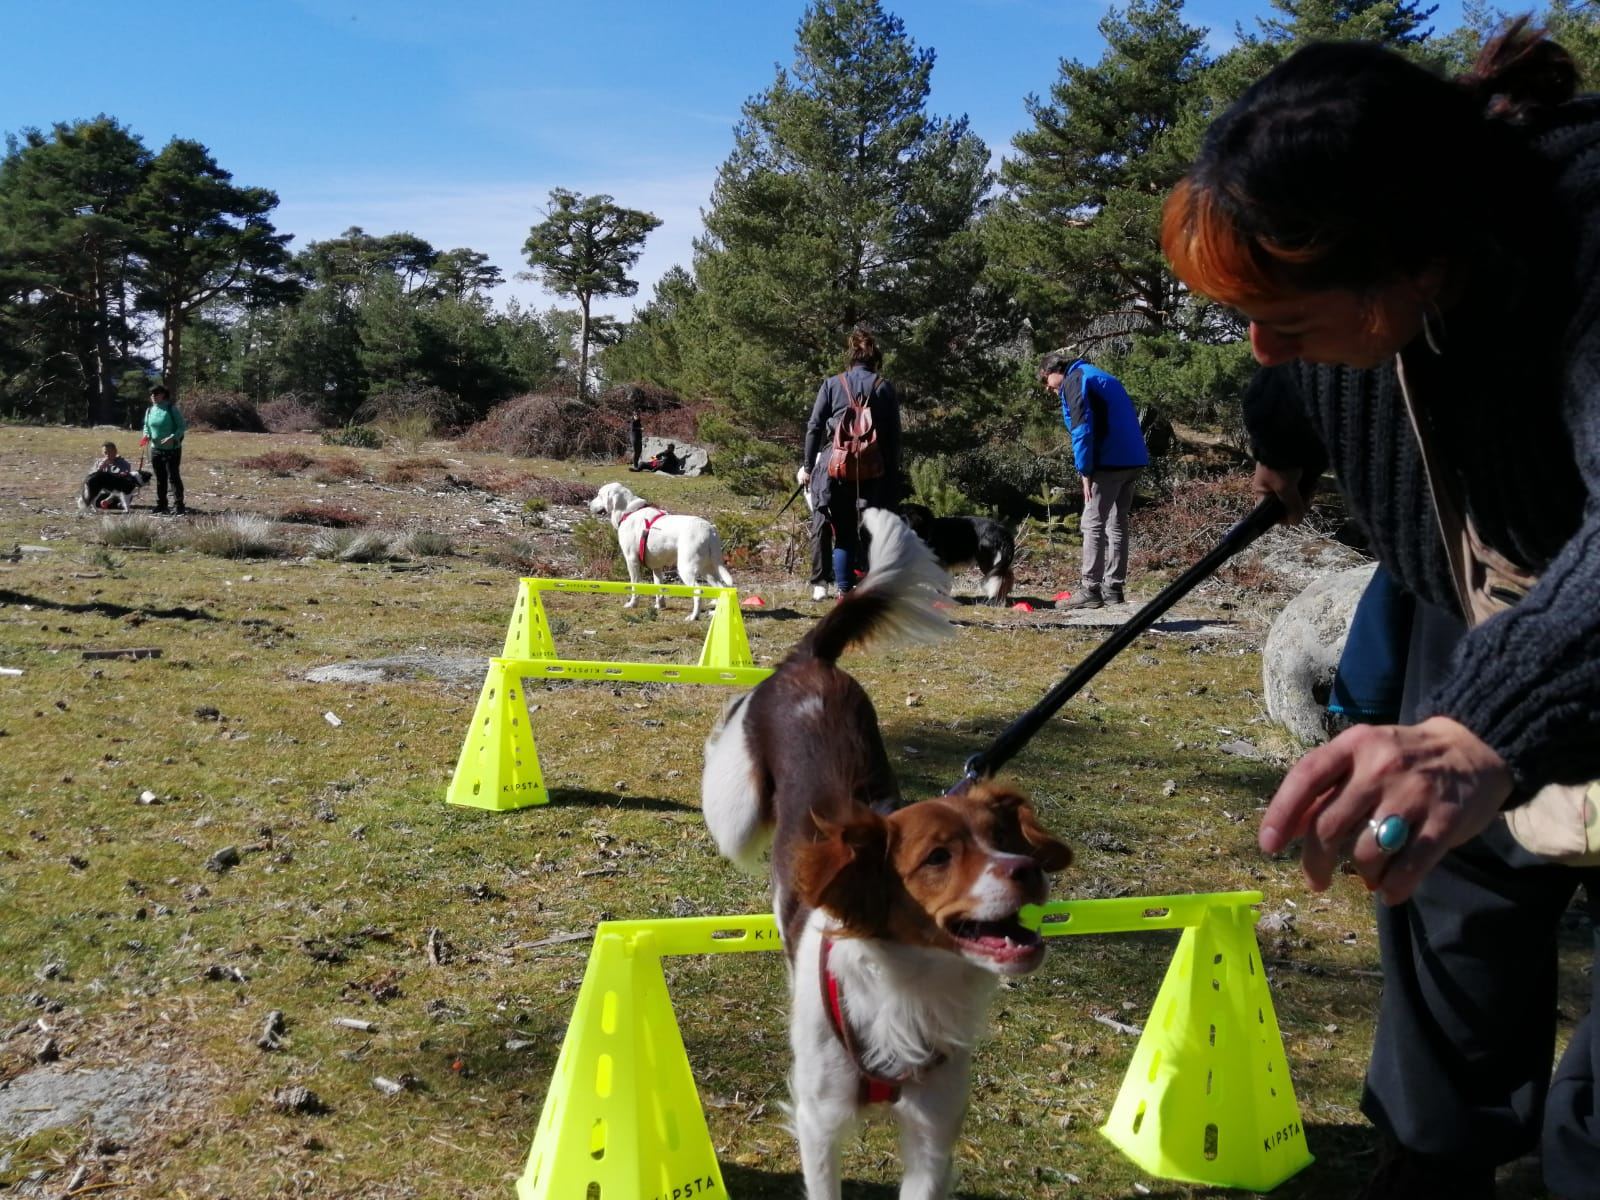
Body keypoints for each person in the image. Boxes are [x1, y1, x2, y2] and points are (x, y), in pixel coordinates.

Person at [1161, 23, 1600, 1200]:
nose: (1262, 345)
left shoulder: (1583, 239)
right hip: (1473, 606)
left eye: (1289, 318)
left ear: (1413, 259)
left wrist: (1476, 729)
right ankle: (1431, 1160)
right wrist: (1279, 439)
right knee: (1446, 907)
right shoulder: (1352, 278)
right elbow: (1291, 366)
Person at [1041, 350, 1149, 609]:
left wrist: (1085, 470)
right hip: (1133, 459)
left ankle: (1090, 589)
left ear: (1055, 371)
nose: (1047, 388)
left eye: (1046, 380)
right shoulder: (1101, 376)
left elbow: (1082, 429)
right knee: (1117, 522)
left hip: (1108, 462)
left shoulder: (1075, 379)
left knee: (1092, 523)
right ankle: (1113, 589)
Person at [799, 330, 901, 596]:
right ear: (875, 360)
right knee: (873, 531)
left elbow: (814, 427)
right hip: (874, 469)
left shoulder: (833, 384)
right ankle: (874, 588)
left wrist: (808, 467)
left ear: (851, 359)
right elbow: (894, 436)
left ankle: (844, 591)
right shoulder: (884, 387)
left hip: (836, 467)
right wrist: (892, 473)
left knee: (843, 533)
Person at [142, 385, 186, 515]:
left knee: (173, 477)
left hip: (172, 450)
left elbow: (182, 426)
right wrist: (146, 435)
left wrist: (173, 437)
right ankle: (161, 505)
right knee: (160, 478)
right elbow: (146, 426)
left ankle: (179, 506)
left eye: (156, 394)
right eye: (151, 394)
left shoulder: (171, 409)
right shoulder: (150, 410)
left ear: (163, 395)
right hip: (156, 449)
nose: (153, 396)